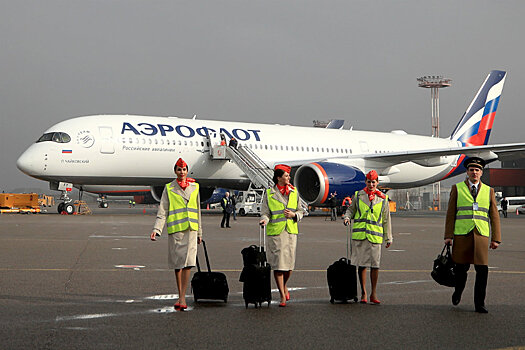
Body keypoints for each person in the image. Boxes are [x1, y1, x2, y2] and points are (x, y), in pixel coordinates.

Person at [444, 157, 501, 313]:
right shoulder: (457, 188)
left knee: (482, 270)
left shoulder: (489, 190)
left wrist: (496, 238)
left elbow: (494, 215)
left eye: (477, 170)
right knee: (461, 269)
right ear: (467, 172)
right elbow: (451, 214)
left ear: (481, 172)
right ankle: (458, 291)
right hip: (462, 234)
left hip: (481, 235)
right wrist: (448, 235)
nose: (474, 172)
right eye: (471, 170)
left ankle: (479, 303)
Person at [150, 158, 202, 311]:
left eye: (184, 169)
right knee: (178, 265)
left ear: (187, 171)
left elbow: (198, 211)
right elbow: (163, 210)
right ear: (175, 171)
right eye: (179, 170)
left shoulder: (195, 187)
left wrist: (200, 232)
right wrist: (157, 229)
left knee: (188, 263)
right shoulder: (169, 188)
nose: (182, 172)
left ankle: (182, 297)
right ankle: (180, 294)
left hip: (191, 229)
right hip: (177, 230)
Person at [343, 170, 392, 304]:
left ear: (377, 183)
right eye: (369, 182)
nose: (371, 184)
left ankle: (373, 293)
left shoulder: (383, 198)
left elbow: (386, 219)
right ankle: (364, 292)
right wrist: (347, 217)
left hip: (375, 236)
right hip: (360, 236)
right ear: (366, 182)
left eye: (373, 182)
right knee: (362, 265)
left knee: (375, 266)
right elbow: (351, 210)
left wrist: (388, 237)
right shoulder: (358, 195)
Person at [259, 164, 305, 307]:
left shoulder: (294, 192)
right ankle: (282, 295)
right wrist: (264, 220)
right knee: (278, 265)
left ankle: (284, 285)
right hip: (276, 233)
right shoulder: (269, 193)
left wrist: (294, 215)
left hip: (290, 232)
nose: (289, 178)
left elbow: (301, 211)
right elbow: (265, 212)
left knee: (289, 266)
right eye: (286, 176)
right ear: (278, 178)